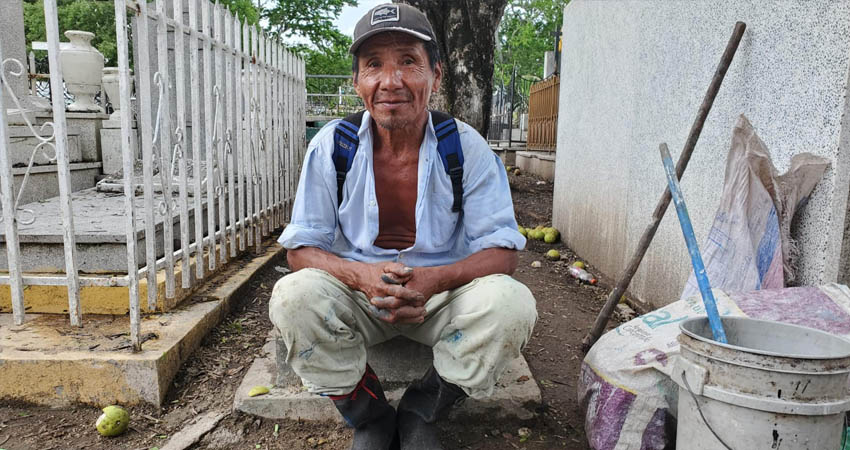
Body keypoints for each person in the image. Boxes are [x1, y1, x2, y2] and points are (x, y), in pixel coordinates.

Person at [269, 4, 537, 449]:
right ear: (357, 83)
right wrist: (360, 276)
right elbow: (301, 250)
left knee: (512, 305)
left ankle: (423, 408)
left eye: (408, 62)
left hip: (441, 297)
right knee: (294, 297)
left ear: (435, 75)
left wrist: (435, 280)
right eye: (374, 65)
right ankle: (369, 414)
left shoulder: (466, 148)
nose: (390, 81)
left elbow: (503, 251)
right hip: (358, 295)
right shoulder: (332, 146)